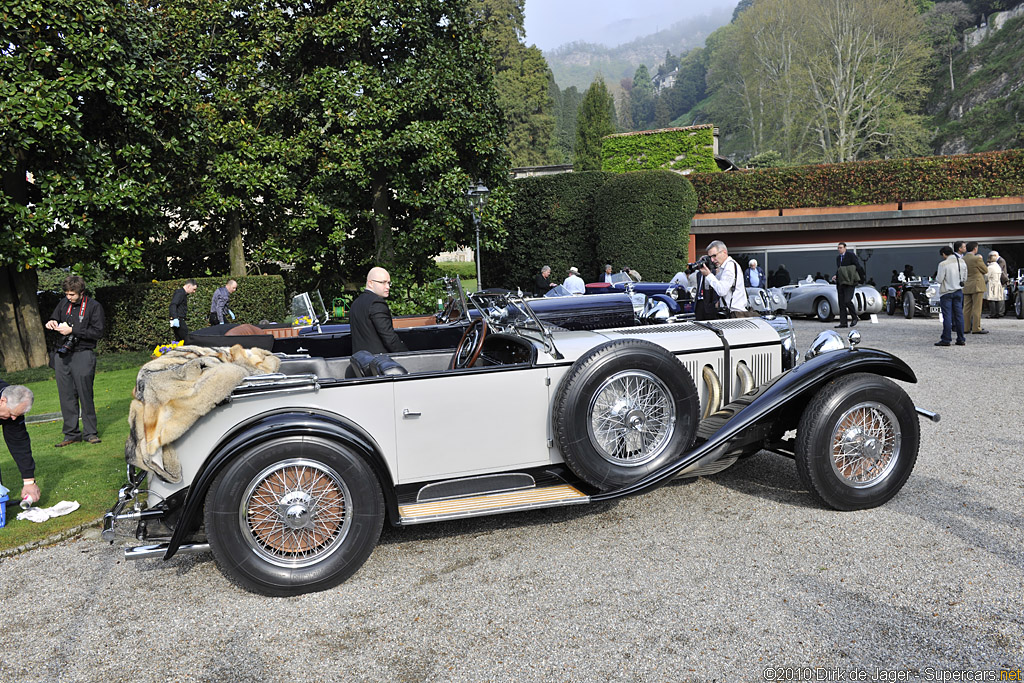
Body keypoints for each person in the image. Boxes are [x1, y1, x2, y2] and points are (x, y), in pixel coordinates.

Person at [46, 275, 105, 446]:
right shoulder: (63, 303)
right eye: (66, 294)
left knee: (85, 394)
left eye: (72, 294)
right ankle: (71, 433)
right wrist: (52, 322)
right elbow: (55, 318)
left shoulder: (94, 306)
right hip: (62, 353)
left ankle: (90, 433)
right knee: (66, 395)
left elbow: (98, 332)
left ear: (81, 292)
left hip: (83, 353)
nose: (69, 297)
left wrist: (73, 330)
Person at [350, 267, 408, 355]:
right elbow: (389, 338)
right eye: (383, 282)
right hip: (379, 363)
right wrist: (408, 355)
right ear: (370, 283)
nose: (388, 287)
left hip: (360, 361)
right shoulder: (377, 303)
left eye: (389, 283)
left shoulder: (356, 303)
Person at [0, 382, 40, 505]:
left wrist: (29, 482)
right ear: (2, 401)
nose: (13, 418)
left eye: (17, 415)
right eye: (11, 414)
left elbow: (19, 443)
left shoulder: (14, 405)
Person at [698, 240, 750, 317]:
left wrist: (708, 275)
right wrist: (706, 271)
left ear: (724, 252)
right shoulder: (723, 268)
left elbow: (721, 290)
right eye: (710, 257)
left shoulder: (730, 267)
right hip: (729, 313)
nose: (712, 260)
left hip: (736, 314)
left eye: (714, 256)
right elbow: (711, 286)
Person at [935, 245, 966, 347]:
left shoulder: (943, 264)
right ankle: (961, 338)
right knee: (959, 315)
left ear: (944, 254)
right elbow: (965, 277)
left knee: (947, 316)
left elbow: (939, 279)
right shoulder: (961, 261)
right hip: (958, 291)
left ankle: (946, 339)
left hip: (946, 292)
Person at [833, 242, 864, 328]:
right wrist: (836, 275)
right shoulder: (838, 258)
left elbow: (857, 266)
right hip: (841, 282)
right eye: (838, 248)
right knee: (841, 303)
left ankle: (854, 317)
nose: (839, 249)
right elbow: (840, 269)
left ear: (845, 248)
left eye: (841, 248)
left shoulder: (851, 255)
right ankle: (843, 323)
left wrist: (861, 278)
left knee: (847, 300)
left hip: (850, 282)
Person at [962, 242, 988, 334]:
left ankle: (965, 327)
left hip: (966, 285)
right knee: (977, 307)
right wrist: (981, 259)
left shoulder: (962, 259)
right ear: (975, 249)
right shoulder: (977, 259)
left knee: (966, 308)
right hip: (977, 285)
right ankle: (976, 328)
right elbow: (985, 270)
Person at [985, 252, 1005, 319]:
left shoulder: (990, 267)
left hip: (991, 283)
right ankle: (998, 313)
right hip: (998, 283)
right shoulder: (998, 266)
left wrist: (984, 281)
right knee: (997, 299)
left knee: (991, 299)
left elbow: (986, 276)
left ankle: (992, 313)